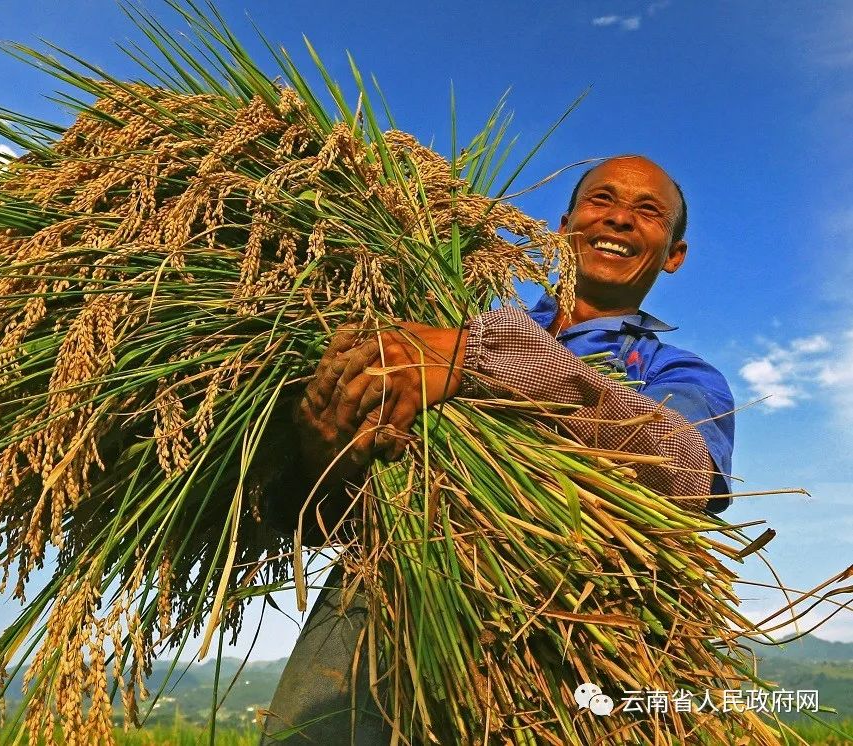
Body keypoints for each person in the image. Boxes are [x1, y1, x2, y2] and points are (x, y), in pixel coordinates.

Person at [259, 155, 735, 744]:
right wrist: (324, 444)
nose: (618, 220)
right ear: (563, 224)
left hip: (557, 646)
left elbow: (683, 472)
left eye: (647, 211)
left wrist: (477, 360)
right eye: (601, 201)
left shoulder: (678, 373)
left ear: (674, 254)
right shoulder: (448, 317)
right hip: (365, 625)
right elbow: (322, 520)